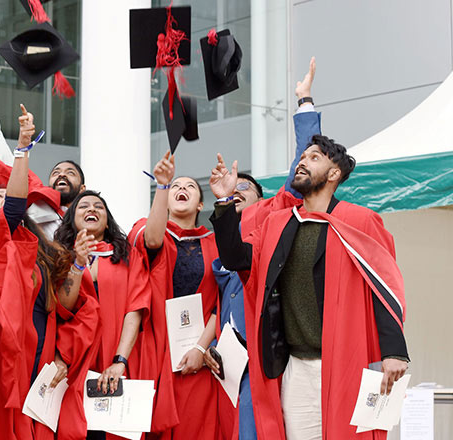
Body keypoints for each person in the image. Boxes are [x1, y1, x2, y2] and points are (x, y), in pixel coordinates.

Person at [209, 136, 409, 439]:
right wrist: (225, 203)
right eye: (302, 157)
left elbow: (384, 288)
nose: (302, 162)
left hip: (346, 362)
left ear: (334, 174)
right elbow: (236, 258)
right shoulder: (277, 223)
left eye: (314, 158)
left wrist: (395, 352)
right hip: (296, 367)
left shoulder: (360, 220)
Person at [203, 57, 322, 439]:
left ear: (262, 198)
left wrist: (305, 103)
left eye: (244, 188)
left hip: (269, 351)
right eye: (231, 189)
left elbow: (305, 162)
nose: (236, 191)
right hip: (231, 363)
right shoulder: (220, 240)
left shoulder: (273, 215)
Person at [0, 105, 99, 440]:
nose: (8, 199)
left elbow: (65, 304)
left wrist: (78, 263)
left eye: (7, 194)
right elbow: (13, 206)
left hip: (41, 347)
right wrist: (22, 148)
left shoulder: (41, 247)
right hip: (5, 347)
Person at [128, 153, 222, 440]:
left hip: (195, 351)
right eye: (176, 186)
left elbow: (219, 303)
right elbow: (153, 240)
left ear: (201, 204)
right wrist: (162, 185)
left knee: (194, 427)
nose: (182, 189)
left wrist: (201, 348)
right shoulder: (147, 229)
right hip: (153, 348)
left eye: (190, 187)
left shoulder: (214, 244)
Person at [54, 190, 150, 440]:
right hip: (74, 360)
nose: (91, 209)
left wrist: (120, 360)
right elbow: (63, 306)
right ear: (71, 218)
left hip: (115, 358)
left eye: (99, 206)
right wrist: (78, 263)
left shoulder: (127, 256)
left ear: (107, 222)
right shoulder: (58, 256)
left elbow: (135, 308)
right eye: (83, 206)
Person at [0, 72, 85, 239]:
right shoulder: (35, 205)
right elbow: (6, 161)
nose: (61, 174)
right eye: (56, 172)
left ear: (83, 189)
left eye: (70, 172)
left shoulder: (93, 216)